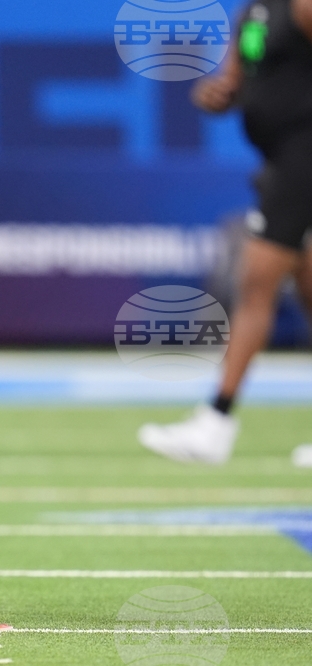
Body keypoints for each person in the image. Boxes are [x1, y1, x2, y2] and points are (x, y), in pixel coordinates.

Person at [138, 0, 312, 463]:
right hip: (282, 159)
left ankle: (215, 421)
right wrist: (219, 94)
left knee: (256, 283)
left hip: (303, 159)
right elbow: (237, 80)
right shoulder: (256, 10)